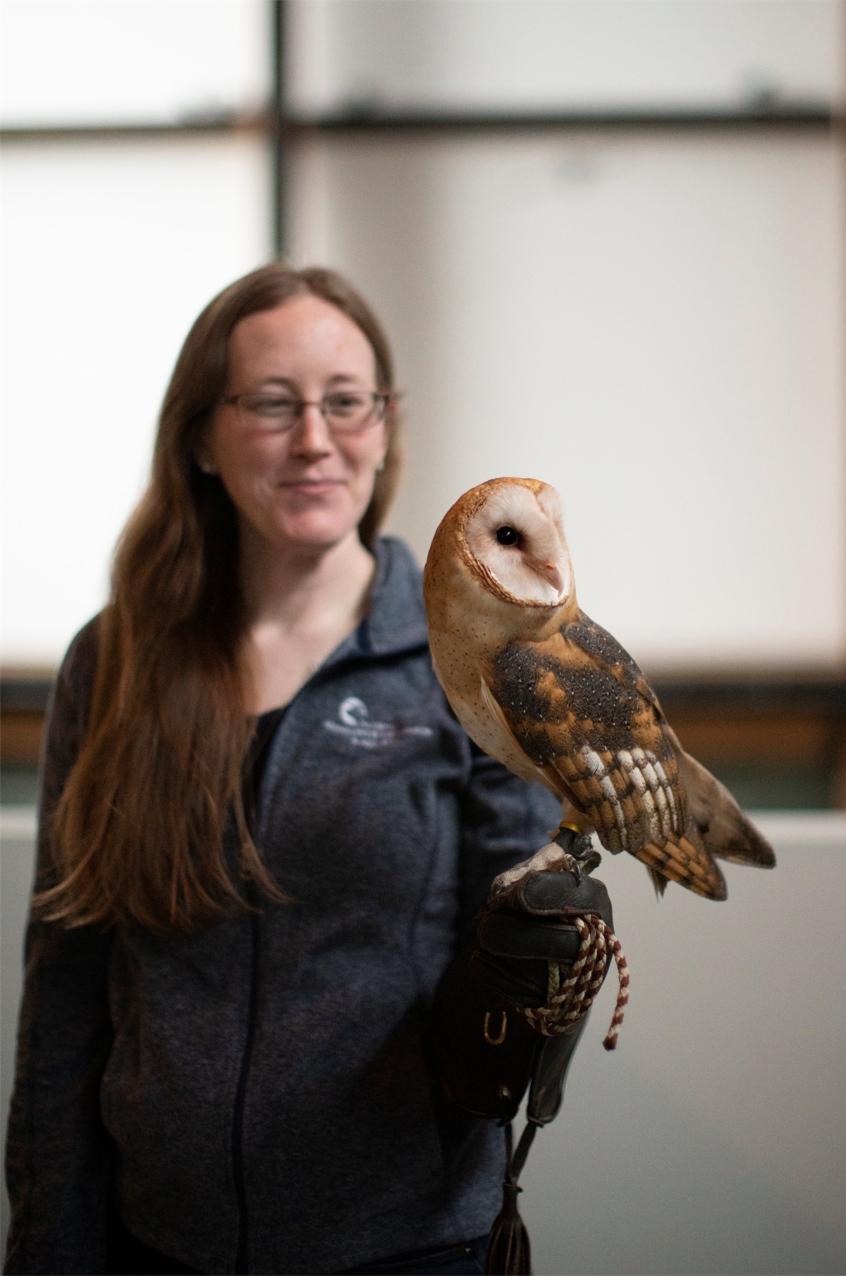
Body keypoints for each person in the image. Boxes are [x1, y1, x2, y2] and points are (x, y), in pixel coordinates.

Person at [4, 263, 564, 1276]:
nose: (315, 438)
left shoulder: (477, 665)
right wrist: (47, 1242)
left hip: (406, 1246)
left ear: (384, 426)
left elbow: (500, 1009)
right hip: (153, 1244)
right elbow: (66, 989)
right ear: (201, 439)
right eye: (271, 404)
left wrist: (547, 954)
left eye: (346, 402)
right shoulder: (118, 655)